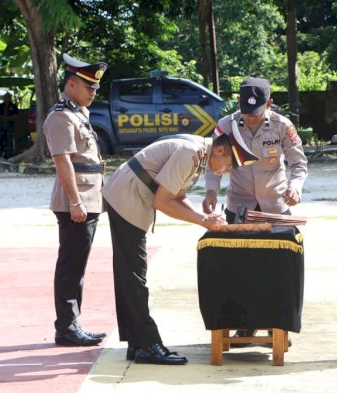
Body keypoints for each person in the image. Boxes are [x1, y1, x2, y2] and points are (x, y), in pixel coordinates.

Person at [102, 132, 257, 365]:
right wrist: (202, 221)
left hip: (129, 193)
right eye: (229, 165)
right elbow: (162, 201)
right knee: (134, 275)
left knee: (130, 274)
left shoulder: (199, 154)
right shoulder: (190, 154)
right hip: (127, 196)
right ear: (220, 150)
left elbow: (178, 194)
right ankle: (146, 345)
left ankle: (137, 343)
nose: (227, 171)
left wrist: (204, 216)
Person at [202, 76, 308, 341]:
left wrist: (296, 188)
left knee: (279, 271)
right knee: (241, 271)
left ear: (269, 103)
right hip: (239, 206)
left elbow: (298, 163)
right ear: (238, 102)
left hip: (275, 206)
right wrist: (211, 191)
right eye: (246, 112)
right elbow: (212, 163)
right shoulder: (225, 125)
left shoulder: (283, 126)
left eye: (257, 112)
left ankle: (278, 324)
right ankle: (245, 323)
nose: (251, 118)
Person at [43, 53, 108, 347]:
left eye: (95, 88)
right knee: (71, 264)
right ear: (71, 85)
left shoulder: (80, 113)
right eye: (88, 87)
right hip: (76, 202)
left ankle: (72, 322)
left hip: (88, 198)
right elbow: (63, 162)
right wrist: (75, 201)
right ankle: (66, 327)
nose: (93, 93)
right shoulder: (60, 117)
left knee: (78, 263)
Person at [0, 92, 19, 159]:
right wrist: (2, 118)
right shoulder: (0, 106)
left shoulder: (13, 106)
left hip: (10, 126)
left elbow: (15, 116)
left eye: (8, 97)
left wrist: (7, 118)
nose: (7, 98)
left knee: (9, 139)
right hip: (1, 126)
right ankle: (1, 153)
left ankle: (9, 154)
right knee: (1, 140)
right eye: (6, 97)